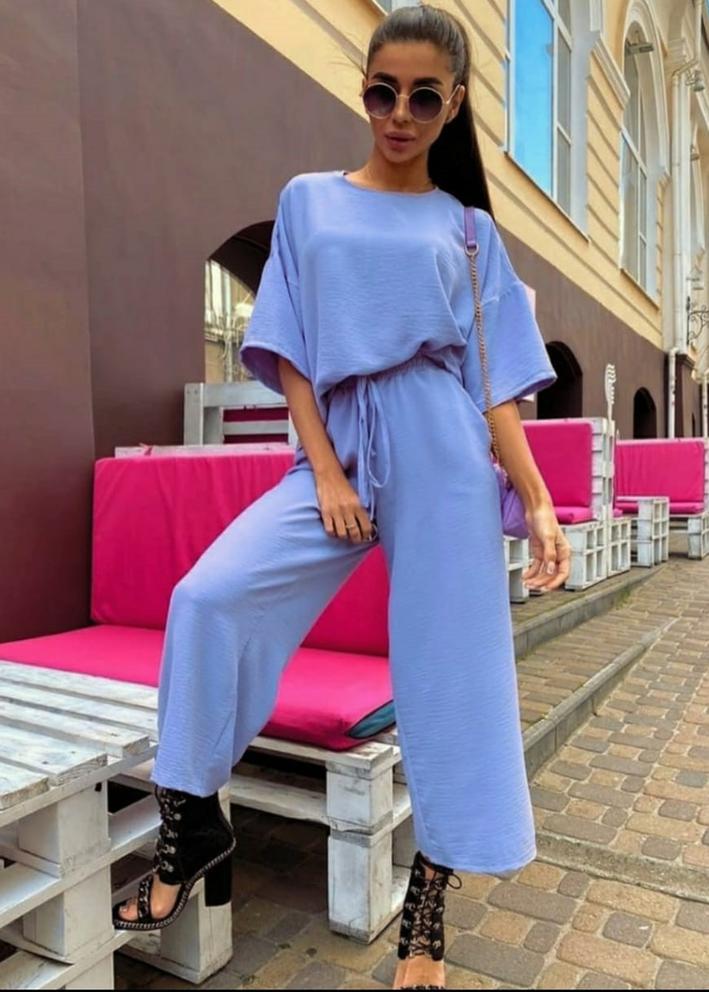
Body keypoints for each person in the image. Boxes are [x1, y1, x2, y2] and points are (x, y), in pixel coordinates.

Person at [114, 4, 571, 988]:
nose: (398, 113)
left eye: (422, 97)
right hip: (339, 442)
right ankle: (191, 819)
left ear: (453, 104)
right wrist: (323, 469)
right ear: (362, 89)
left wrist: (535, 499)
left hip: (442, 448)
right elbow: (289, 348)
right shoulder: (309, 201)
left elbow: (494, 383)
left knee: (453, 675)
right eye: (381, 91)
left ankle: (427, 911)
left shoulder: (468, 230)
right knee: (209, 596)